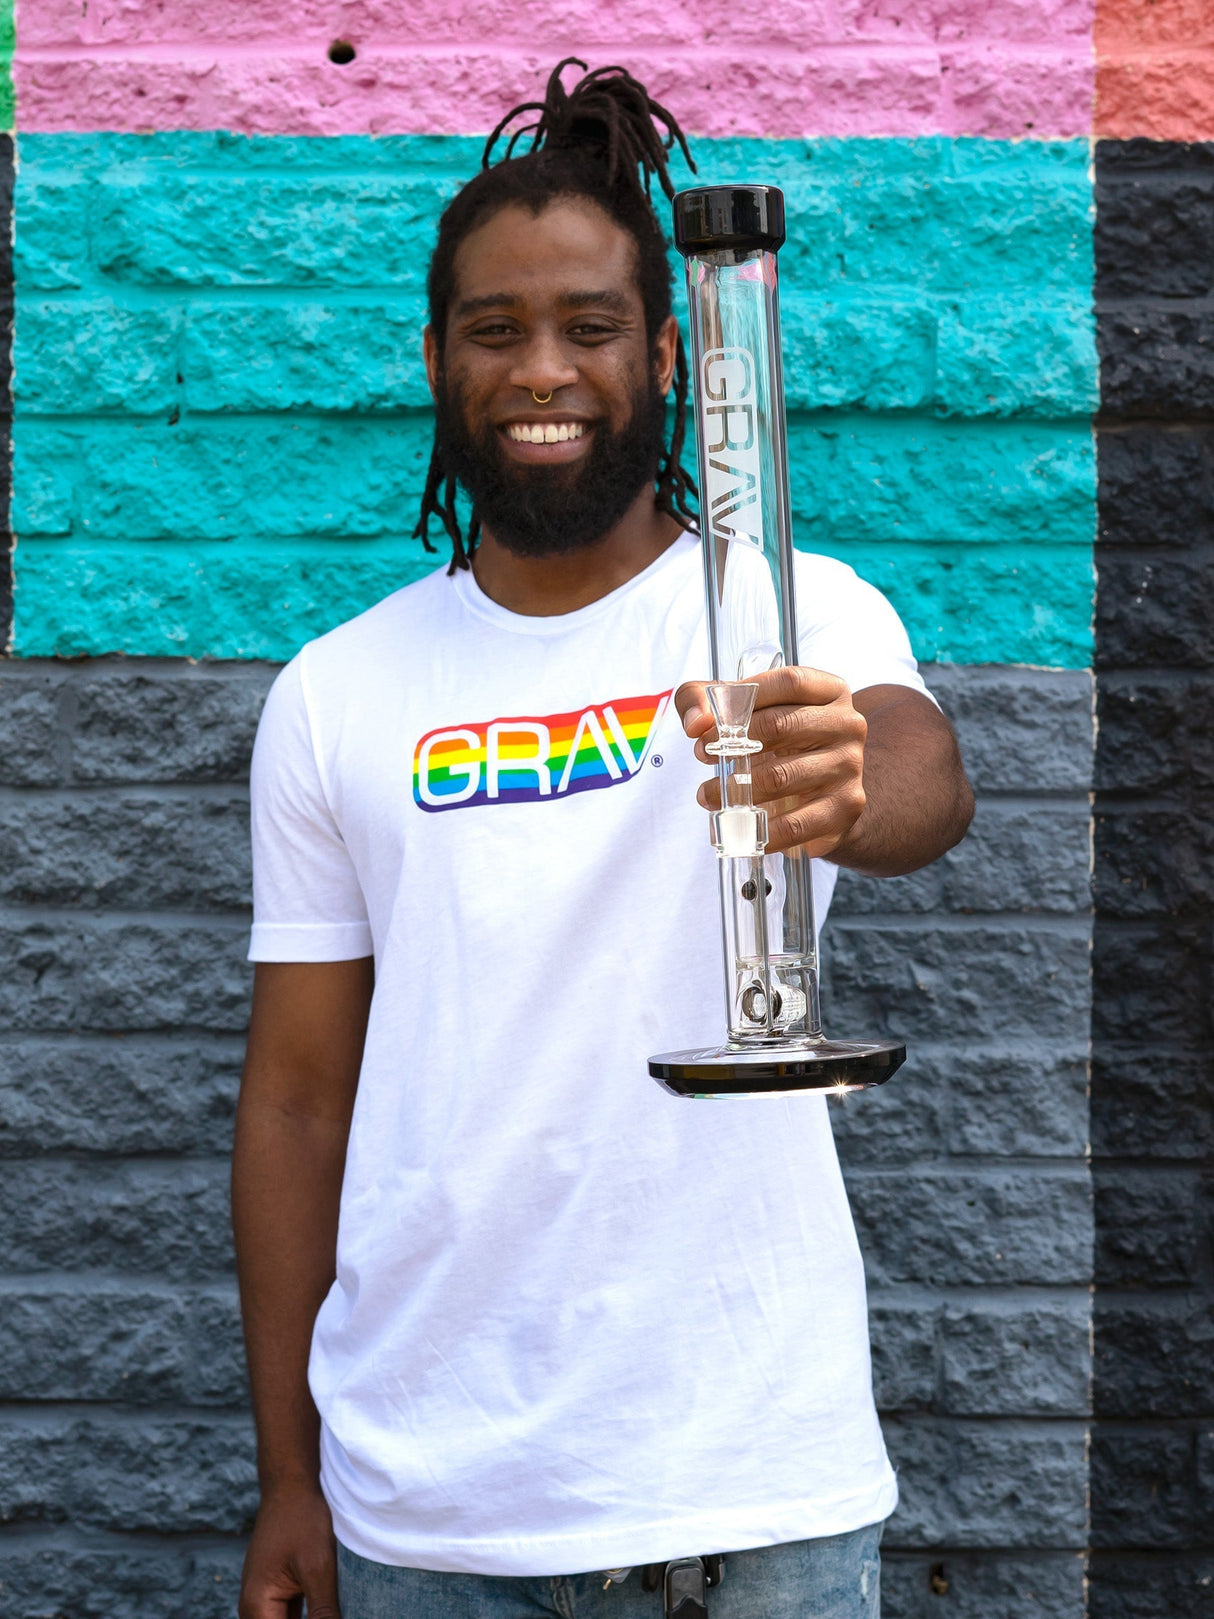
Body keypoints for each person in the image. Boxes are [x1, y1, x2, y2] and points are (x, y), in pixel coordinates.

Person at [233, 60, 974, 1619]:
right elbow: (297, 1104)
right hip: (425, 1511)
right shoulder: (337, 690)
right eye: (493, 329)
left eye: (587, 327)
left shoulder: (788, 608)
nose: (539, 370)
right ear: (434, 357)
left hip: (747, 1490)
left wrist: (849, 787)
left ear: (665, 352)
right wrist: (289, 1477)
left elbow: (919, 782)